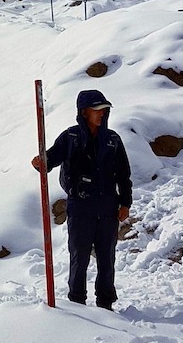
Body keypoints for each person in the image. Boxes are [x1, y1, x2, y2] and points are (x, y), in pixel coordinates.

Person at [31, 88, 132, 310]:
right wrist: (41, 162)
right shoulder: (70, 137)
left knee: (107, 259)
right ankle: (77, 302)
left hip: (107, 209)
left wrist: (125, 203)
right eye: (97, 110)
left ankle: (106, 304)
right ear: (84, 112)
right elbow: (51, 159)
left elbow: (124, 174)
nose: (102, 114)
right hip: (80, 209)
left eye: (105, 109)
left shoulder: (113, 140)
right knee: (79, 257)